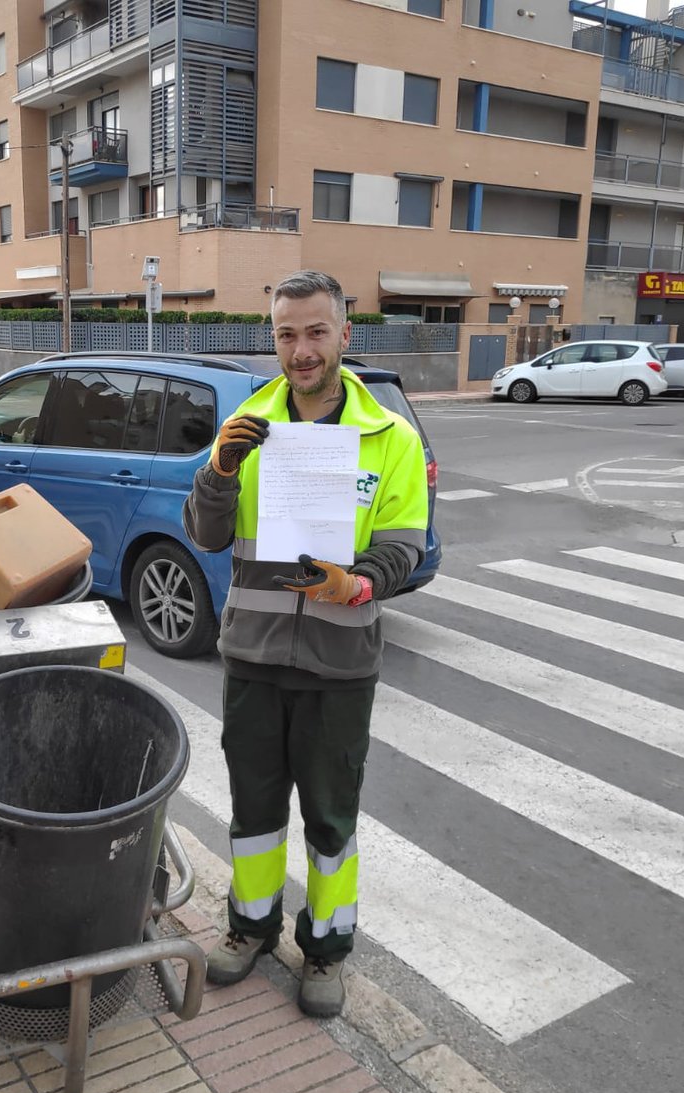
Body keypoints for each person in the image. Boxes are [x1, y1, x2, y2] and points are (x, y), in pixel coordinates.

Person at [183, 270, 430, 1017]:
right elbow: (209, 533)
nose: (301, 349)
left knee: (330, 819)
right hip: (255, 657)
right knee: (253, 811)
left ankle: (324, 950)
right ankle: (248, 928)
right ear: (275, 338)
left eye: (316, 332)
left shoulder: (389, 438)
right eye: (287, 334)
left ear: (344, 336)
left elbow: (404, 544)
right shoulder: (249, 424)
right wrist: (219, 470)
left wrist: (356, 586)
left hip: (339, 666)